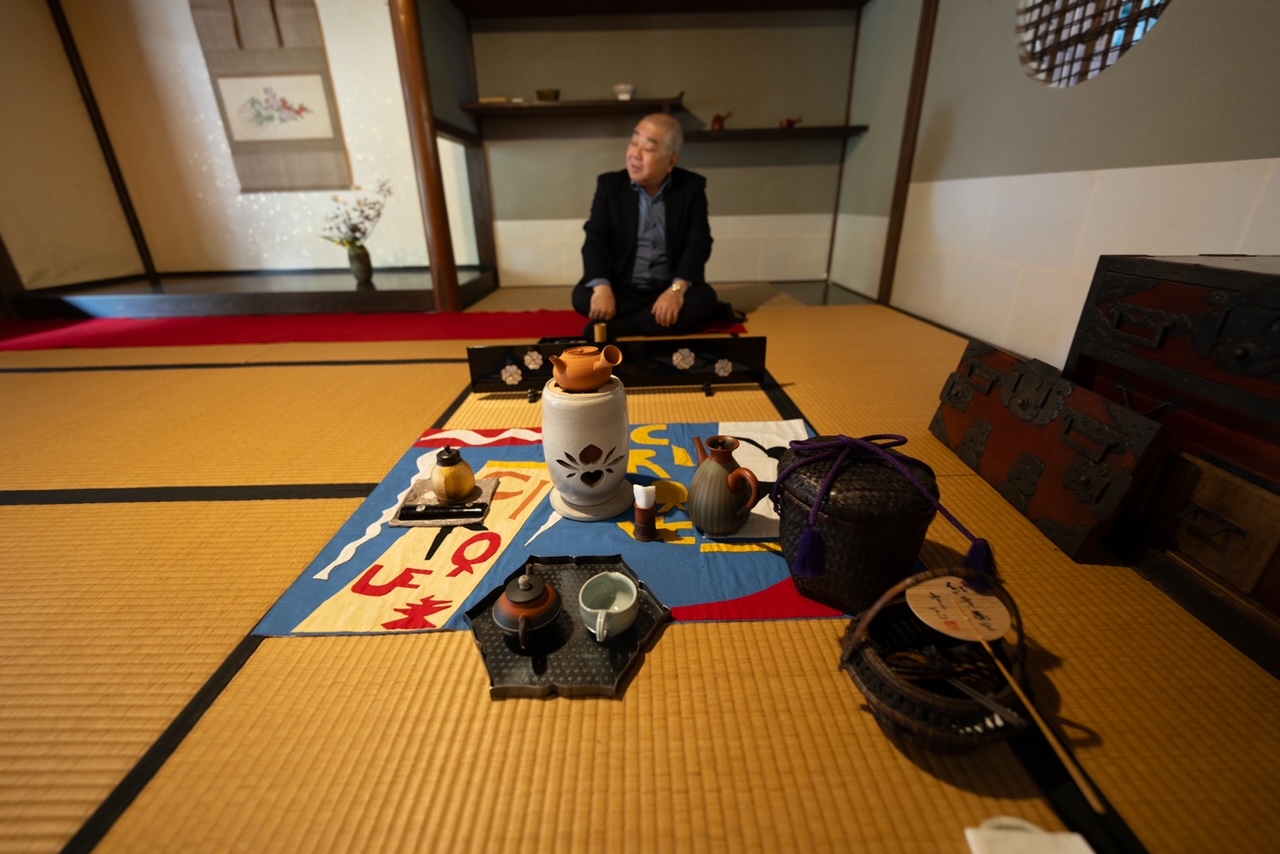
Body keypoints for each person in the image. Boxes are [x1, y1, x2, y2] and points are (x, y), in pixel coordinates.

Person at [572, 113, 720, 338]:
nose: (635, 154)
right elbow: (595, 240)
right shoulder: (610, 186)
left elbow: (698, 243)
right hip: (622, 288)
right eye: (634, 142)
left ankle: (618, 327)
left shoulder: (691, 187)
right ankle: (654, 321)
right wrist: (603, 289)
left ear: (671, 161)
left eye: (648, 148)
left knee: (705, 299)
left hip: (666, 287)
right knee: (581, 295)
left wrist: (676, 291)